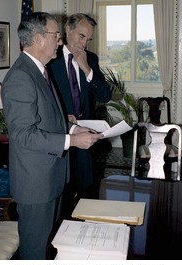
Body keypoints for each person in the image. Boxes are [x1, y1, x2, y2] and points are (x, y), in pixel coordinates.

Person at [1, 12, 102, 260]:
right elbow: (24, 135)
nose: (60, 41)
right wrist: (71, 141)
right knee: (34, 255)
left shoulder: (40, 70)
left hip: (52, 180)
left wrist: (74, 129)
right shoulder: (21, 77)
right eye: (56, 35)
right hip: (36, 186)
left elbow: (53, 119)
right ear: (38, 38)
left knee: (49, 247)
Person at [48, 13, 112, 216]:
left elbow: (105, 95)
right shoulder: (50, 59)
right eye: (81, 36)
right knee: (63, 194)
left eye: (88, 39)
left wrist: (86, 68)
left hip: (87, 136)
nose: (84, 43)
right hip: (62, 135)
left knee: (88, 192)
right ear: (67, 30)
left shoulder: (90, 59)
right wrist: (61, 116)